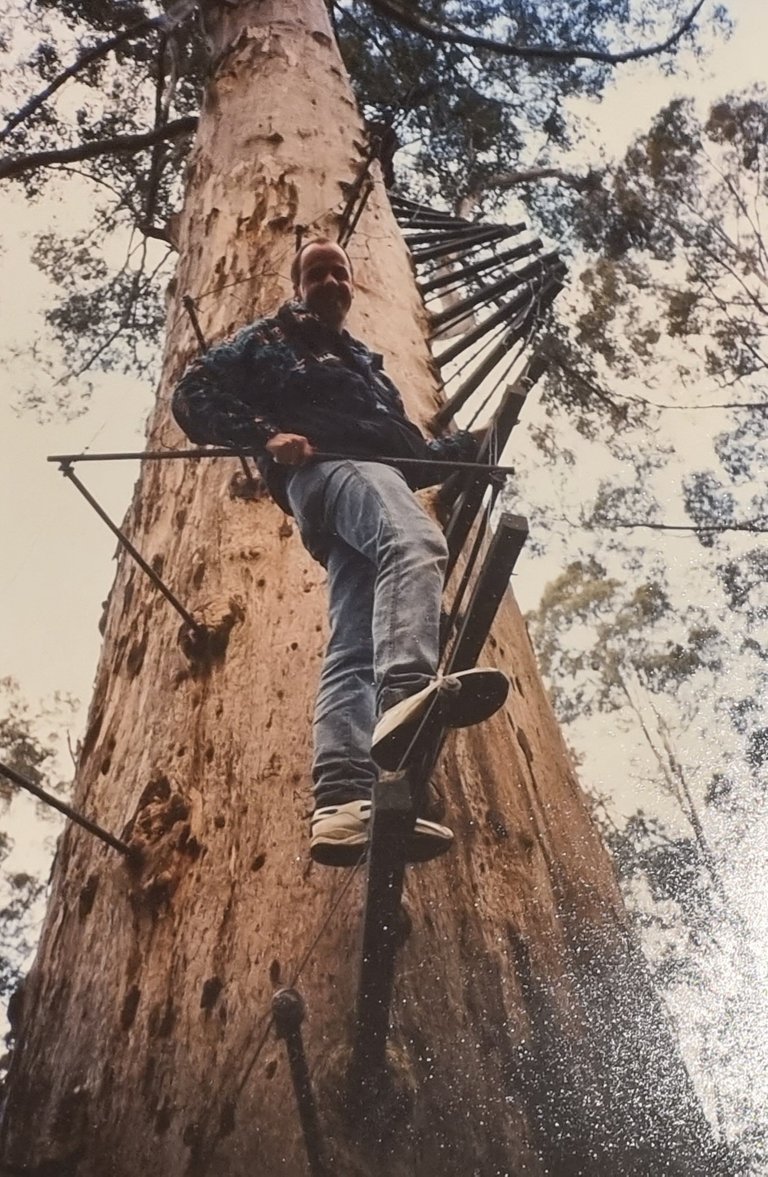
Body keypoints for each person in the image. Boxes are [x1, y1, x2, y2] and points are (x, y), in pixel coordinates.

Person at [172, 238, 508, 866]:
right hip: (336, 472)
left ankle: (342, 801)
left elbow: (405, 452)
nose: (330, 281)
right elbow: (193, 391)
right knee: (414, 541)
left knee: (353, 644)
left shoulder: (366, 365)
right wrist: (266, 436)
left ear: (351, 286)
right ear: (299, 285)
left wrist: (473, 446)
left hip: (365, 483)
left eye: (339, 272)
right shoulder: (273, 337)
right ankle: (408, 687)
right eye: (315, 272)